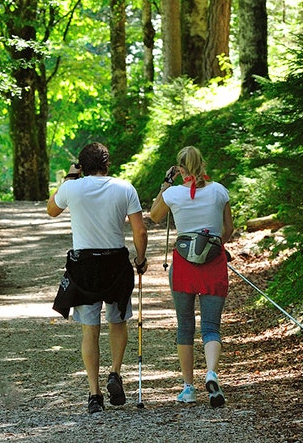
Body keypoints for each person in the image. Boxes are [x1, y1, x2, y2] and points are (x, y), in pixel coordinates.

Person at [48, 142, 149, 414]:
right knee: (118, 321)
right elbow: (140, 231)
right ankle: (115, 372)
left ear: (81, 166)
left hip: (85, 266)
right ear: (108, 164)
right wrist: (140, 260)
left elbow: (51, 210)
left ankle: (94, 395)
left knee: (89, 331)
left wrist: (69, 177)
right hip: (116, 264)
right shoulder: (124, 188)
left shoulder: (71, 188)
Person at [149, 145, 234, 408]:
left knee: (185, 326)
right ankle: (211, 373)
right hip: (213, 264)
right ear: (203, 163)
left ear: (180, 168)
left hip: (184, 265)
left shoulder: (173, 193)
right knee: (211, 327)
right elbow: (227, 230)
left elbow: (154, 215)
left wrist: (166, 183)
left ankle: (188, 388)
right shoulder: (219, 190)